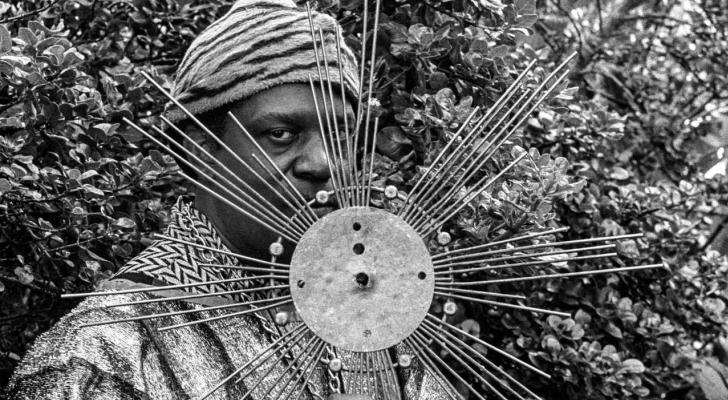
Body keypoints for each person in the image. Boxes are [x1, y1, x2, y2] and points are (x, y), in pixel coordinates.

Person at [5, 0, 449, 399]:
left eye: (342, 134)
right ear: (196, 150)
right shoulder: (103, 356)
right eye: (281, 134)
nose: (324, 163)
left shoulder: (372, 330)